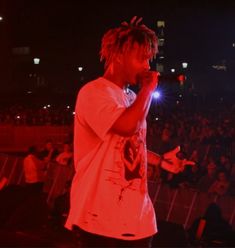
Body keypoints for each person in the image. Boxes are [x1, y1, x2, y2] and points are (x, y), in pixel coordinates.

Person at [65, 16, 193, 247]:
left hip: (136, 219)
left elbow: (132, 145)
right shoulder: (94, 92)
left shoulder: (132, 98)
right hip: (99, 219)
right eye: (141, 58)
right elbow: (126, 127)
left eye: (148, 59)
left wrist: (161, 161)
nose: (147, 66)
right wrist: (147, 89)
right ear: (118, 55)